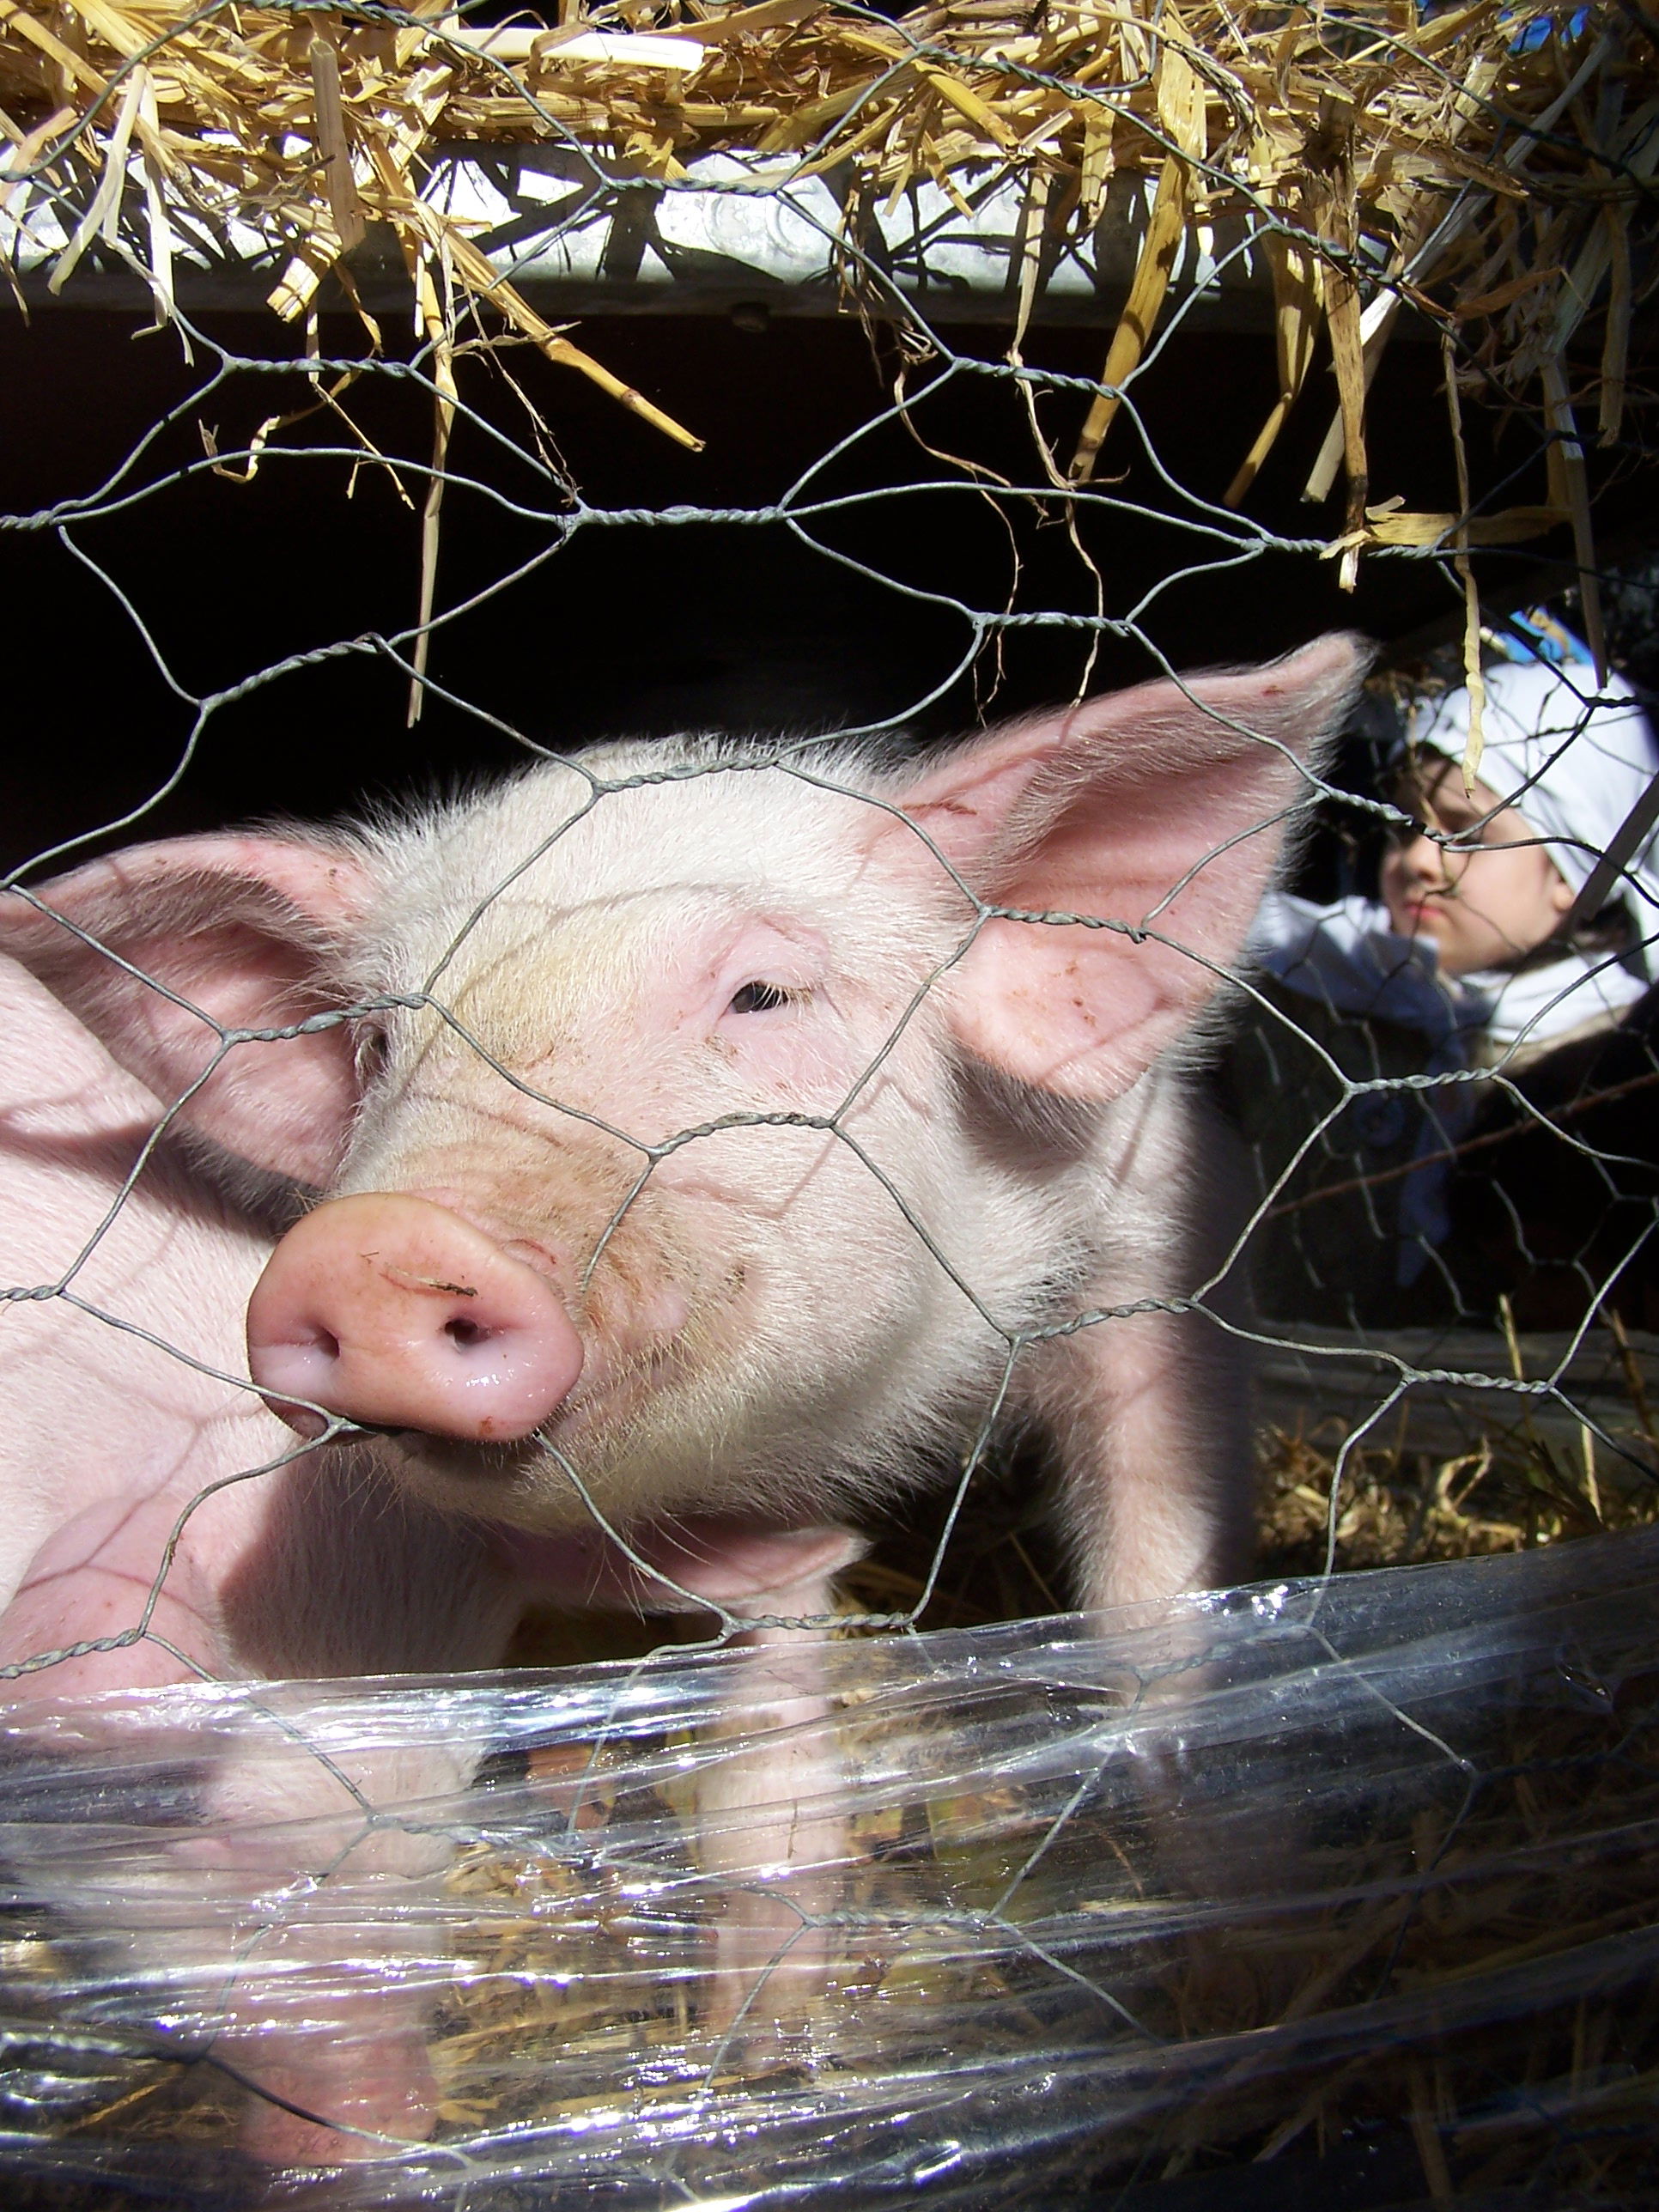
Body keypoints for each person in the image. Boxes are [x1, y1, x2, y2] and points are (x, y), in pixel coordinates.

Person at [1227, 621, 1659, 1323]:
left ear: (1579, 874)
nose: (1420, 859)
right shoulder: (1330, 974)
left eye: (1464, 831)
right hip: (1296, 1378)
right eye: (1404, 825)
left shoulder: (1615, 1049)